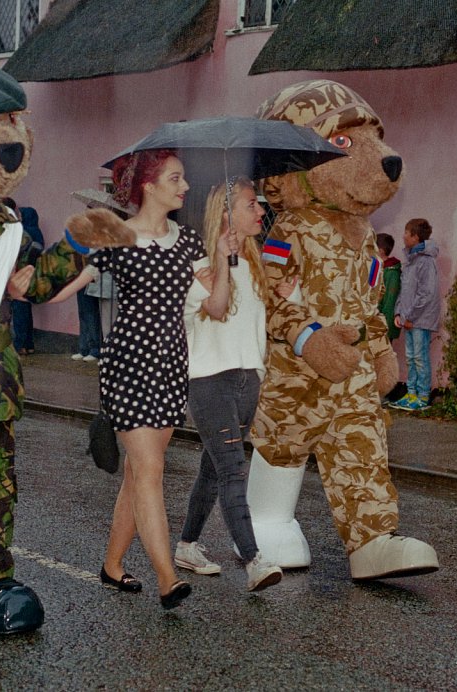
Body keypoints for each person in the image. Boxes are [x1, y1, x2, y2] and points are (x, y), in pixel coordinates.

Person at [57, 150, 206, 609]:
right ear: (149, 186)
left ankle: (112, 565)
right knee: (150, 470)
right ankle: (167, 578)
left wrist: (226, 257)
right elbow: (69, 284)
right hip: (128, 365)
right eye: (175, 178)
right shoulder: (117, 238)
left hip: (171, 366)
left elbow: (217, 302)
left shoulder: (190, 240)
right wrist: (19, 289)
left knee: (139, 472)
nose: (184, 186)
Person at [176, 177, 284, 592]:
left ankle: (187, 545)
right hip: (210, 382)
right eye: (250, 205)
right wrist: (222, 259)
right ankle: (254, 560)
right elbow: (218, 309)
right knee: (234, 470)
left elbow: (255, 324)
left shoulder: (255, 263)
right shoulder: (200, 266)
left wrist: (286, 295)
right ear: (226, 214)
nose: (260, 211)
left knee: (214, 468)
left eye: (259, 204)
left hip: (247, 379)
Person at [389, 218, 441, 412]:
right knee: (410, 357)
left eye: (406, 232)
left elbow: (426, 294)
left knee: (419, 357)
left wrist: (410, 317)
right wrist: (399, 312)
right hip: (409, 319)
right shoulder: (411, 261)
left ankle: (423, 396)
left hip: (419, 320)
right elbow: (404, 290)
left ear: (415, 237)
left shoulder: (426, 262)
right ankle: (411, 394)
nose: (403, 236)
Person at [7, 200, 44, 354]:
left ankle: (20, 345)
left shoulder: (23, 233)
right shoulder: (37, 233)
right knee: (26, 309)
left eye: (22, 215)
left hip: (20, 274)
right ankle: (29, 344)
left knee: (19, 310)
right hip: (31, 275)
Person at [375, 232, 401, 342]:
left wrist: (382, 323)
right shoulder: (378, 267)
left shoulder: (392, 272)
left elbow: (390, 300)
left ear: (381, 250)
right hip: (375, 320)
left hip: (384, 324)